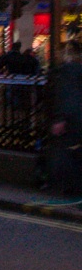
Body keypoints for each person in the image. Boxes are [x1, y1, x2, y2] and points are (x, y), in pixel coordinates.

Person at [49, 41, 82, 197]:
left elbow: (69, 96)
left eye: (58, 52)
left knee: (69, 153)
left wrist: (61, 119)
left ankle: (71, 188)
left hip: (72, 119)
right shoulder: (77, 69)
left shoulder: (66, 71)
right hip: (76, 117)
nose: (56, 55)